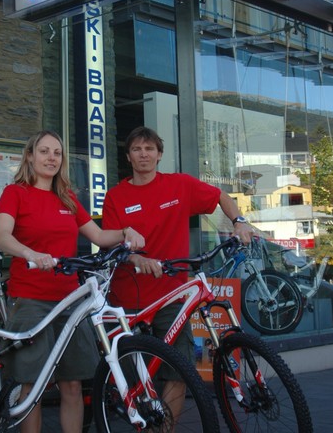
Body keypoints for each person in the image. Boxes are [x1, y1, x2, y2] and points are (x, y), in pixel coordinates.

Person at [0, 130, 145, 433]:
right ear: (30, 156)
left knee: (73, 384)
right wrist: (30, 253)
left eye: (57, 153)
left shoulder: (67, 198)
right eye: (45, 151)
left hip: (69, 301)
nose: (51, 158)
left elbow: (99, 236)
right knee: (31, 388)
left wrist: (125, 231)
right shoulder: (16, 192)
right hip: (31, 299)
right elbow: (1, 236)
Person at [102, 126, 254, 419]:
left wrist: (239, 221)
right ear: (129, 157)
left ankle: (165, 429)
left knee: (178, 371)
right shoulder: (116, 196)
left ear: (159, 155)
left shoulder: (178, 185)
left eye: (149, 149)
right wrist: (135, 258)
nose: (143, 154)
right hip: (130, 298)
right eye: (137, 149)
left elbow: (221, 196)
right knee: (136, 378)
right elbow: (110, 243)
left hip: (172, 297)